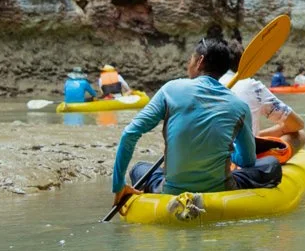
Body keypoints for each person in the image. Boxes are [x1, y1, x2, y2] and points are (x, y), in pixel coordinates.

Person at [112, 37, 276, 204]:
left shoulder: (171, 89)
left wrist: (118, 186)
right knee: (271, 164)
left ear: (200, 61)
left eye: (190, 59)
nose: (188, 63)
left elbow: (130, 133)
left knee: (138, 169)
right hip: (221, 190)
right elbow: (248, 161)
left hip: (170, 191)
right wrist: (227, 148)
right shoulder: (240, 106)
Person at [231, 74, 305, 159]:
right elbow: (298, 124)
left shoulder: (215, 85)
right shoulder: (250, 85)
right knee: (301, 135)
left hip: (217, 152)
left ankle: (252, 136)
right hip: (240, 158)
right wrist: (281, 129)